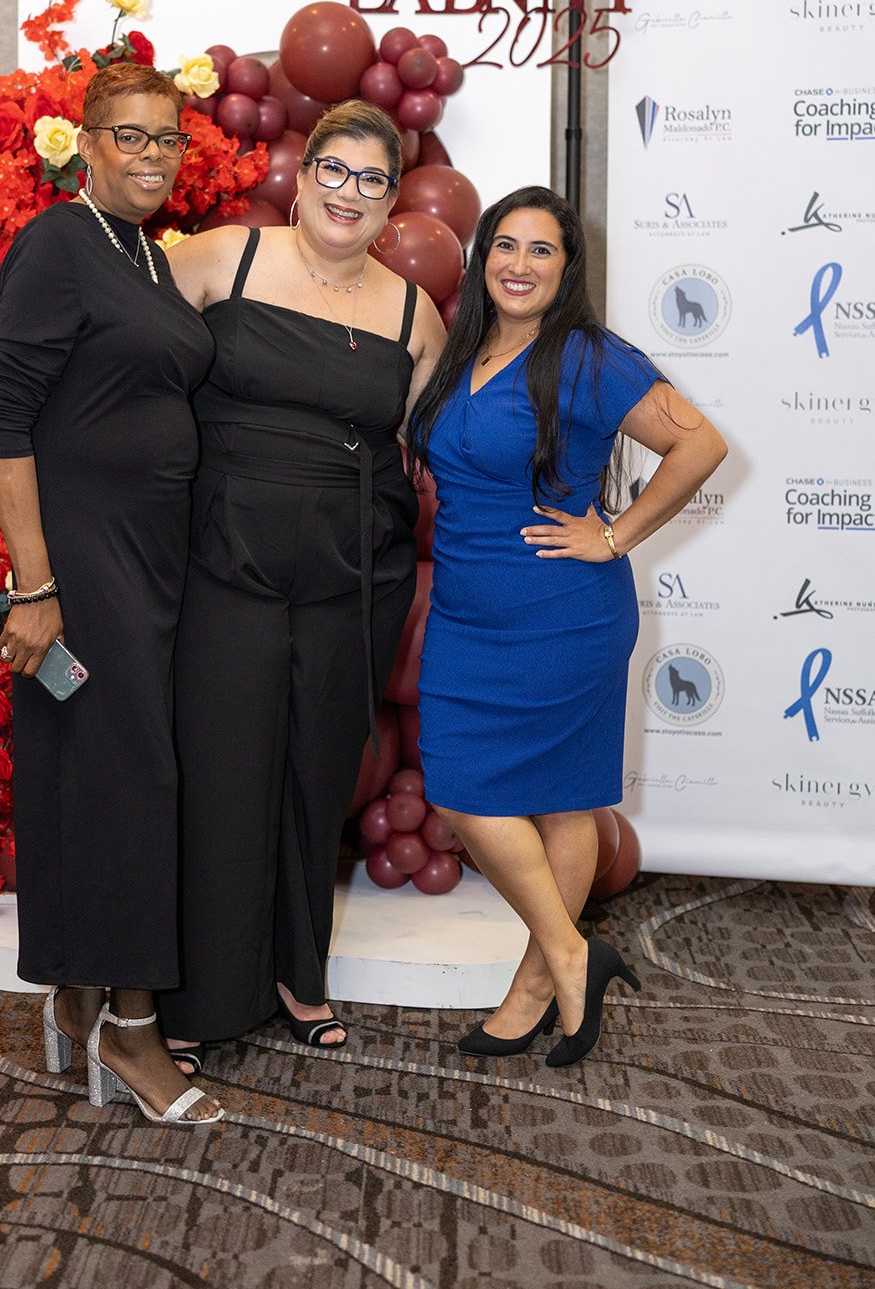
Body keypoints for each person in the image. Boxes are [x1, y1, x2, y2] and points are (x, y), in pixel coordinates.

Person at [407, 185, 727, 1068]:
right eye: (503, 246)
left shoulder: (586, 355)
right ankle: (572, 953)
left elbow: (699, 446)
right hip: (468, 616)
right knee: (463, 788)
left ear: (566, 268)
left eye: (540, 250)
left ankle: (540, 981)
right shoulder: (466, 345)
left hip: (562, 615)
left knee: (559, 797)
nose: (518, 265)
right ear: (482, 261)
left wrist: (615, 532)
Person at [161, 99, 446, 1062]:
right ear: (303, 172)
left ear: (392, 200)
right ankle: (196, 1002)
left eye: (371, 180)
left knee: (314, 776)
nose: (348, 193)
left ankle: (298, 972)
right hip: (225, 565)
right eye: (334, 170)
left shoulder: (414, 312)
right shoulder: (220, 259)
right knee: (224, 775)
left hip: (351, 580)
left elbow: (434, 449)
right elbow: (113, 334)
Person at [0, 62, 223, 1126]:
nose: (151, 156)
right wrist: (34, 584)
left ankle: (82, 993)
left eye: (166, 139)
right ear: (85, 144)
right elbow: (3, 421)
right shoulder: (59, 244)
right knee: (134, 782)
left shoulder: (145, 257)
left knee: (113, 774)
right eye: (129, 137)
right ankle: (132, 1028)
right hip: (85, 561)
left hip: (153, 557)